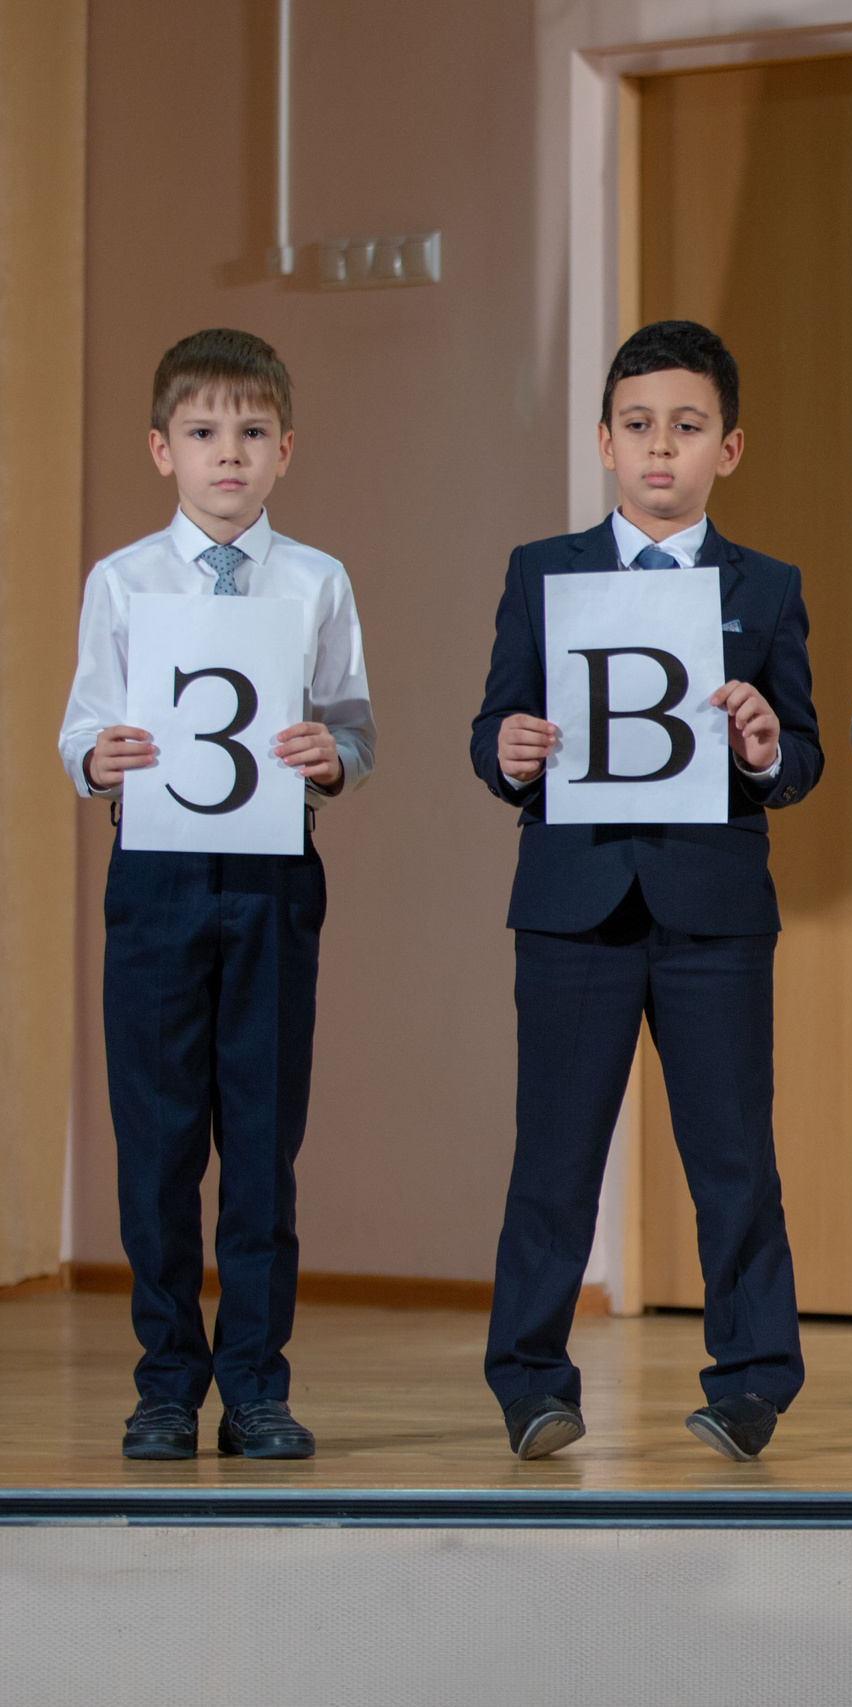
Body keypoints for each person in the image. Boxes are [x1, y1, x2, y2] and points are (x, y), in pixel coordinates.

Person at [470, 320, 822, 1463]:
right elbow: (493, 728)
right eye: (637, 428)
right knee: (553, 1156)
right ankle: (530, 1381)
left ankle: (755, 1378)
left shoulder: (766, 587)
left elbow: (802, 759)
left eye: (686, 427)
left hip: (713, 910)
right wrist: (508, 750)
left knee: (731, 1158)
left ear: (730, 446)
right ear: (605, 445)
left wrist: (766, 746)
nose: (659, 449)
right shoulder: (543, 571)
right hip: (573, 905)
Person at [58, 328, 375, 1461]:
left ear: (284, 449)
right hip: (154, 882)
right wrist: (98, 758)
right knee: (155, 1147)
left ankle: (253, 1383)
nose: (226, 455)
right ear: (162, 450)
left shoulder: (316, 581)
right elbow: (84, 724)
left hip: (275, 884)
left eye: (249, 434)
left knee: (261, 1144)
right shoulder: (124, 581)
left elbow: (353, 729)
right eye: (203, 434)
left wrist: (329, 756)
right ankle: (161, 1383)